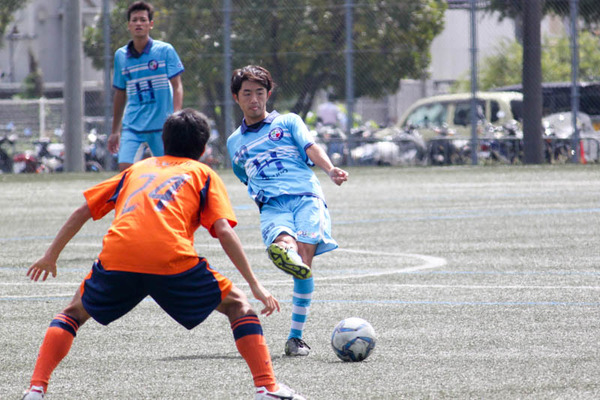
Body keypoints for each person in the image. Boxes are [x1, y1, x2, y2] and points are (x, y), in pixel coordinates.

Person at [22, 108, 305, 400]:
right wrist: (255, 284)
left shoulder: (136, 169)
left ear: (163, 140)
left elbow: (83, 210)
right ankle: (267, 388)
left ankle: (36, 389)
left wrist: (50, 256)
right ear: (203, 149)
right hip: (172, 259)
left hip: (119, 256)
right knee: (239, 306)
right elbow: (223, 230)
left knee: (73, 313)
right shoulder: (203, 173)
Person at [227, 65, 349, 357]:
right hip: (271, 204)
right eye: (247, 93)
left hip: (306, 196)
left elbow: (310, 147)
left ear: (268, 94)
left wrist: (330, 169)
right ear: (236, 98)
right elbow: (244, 175)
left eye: (260, 92)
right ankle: (283, 251)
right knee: (285, 244)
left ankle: (295, 338)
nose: (254, 99)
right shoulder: (234, 143)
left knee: (303, 260)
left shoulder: (289, 121)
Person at [108, 1, 184, 172]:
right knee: (125, 169)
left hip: (162, 125)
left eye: (143, 20)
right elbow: (120, 93)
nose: (139, 24)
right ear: (128, 25)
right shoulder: (121, 56)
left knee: (169, 171)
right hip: (133, 125)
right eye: (134, 20)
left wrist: (176, 115)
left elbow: (177, 85)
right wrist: (115, 131)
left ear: (151, 24)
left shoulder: (165, 50)